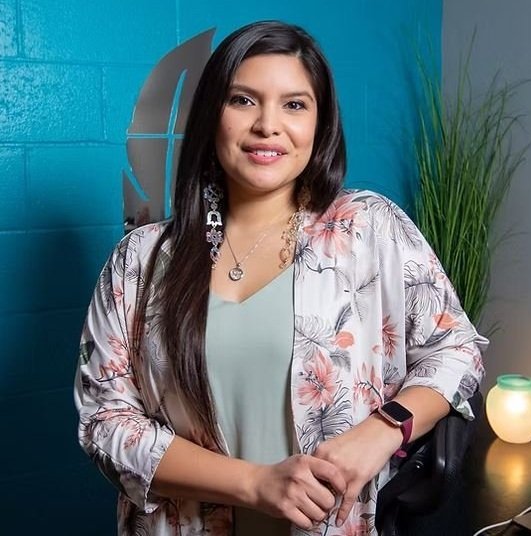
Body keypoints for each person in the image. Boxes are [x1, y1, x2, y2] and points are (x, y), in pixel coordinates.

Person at [74, 20, 487, 536]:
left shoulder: (368, 228)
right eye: (243, 100)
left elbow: (457, 350)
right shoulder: (141, 258)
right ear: (211, 115)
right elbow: (104, 420)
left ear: (320, 123)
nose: (268, 125)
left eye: (294, 104)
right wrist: (255, 484)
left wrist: (386, 429)